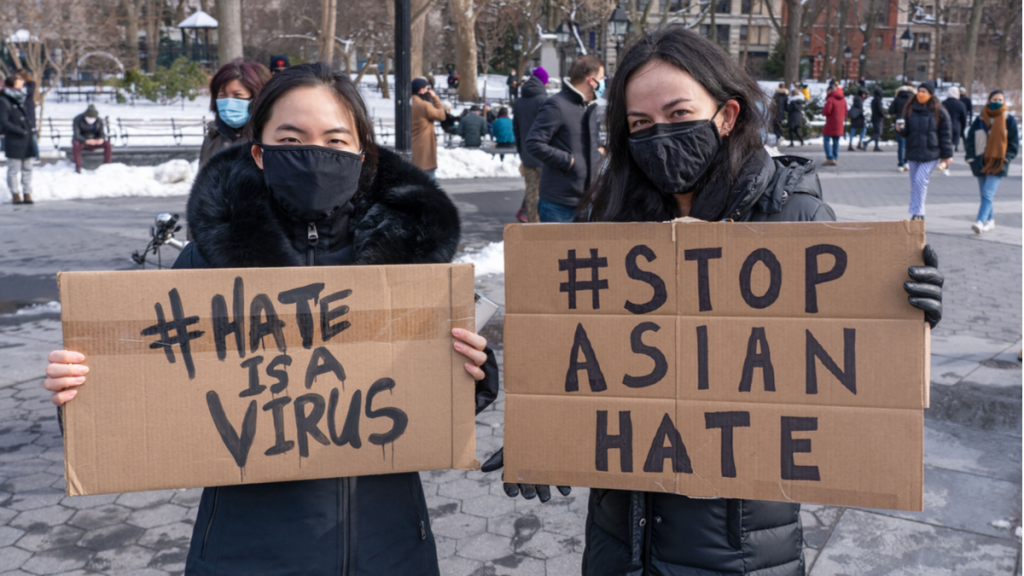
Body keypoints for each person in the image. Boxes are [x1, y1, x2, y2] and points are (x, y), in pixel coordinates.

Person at [482, 26, 943, 576]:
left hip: (742, 549)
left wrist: (899, 315)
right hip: (620, 541)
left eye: (679, 116)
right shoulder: (609, 222)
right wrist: (547, 430)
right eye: (640, 125)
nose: (660, 135)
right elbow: (579, 354)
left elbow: (836, 372)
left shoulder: (794, 220)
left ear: (726, 115)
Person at [42, 62, 499, 576]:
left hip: (390, 547)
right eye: (291, 137)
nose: (315, 153)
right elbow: (144, 393)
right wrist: (82, 391)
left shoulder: (409, 264)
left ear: (362, 155)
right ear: (259, 152)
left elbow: (442, 397)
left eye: (334, 139)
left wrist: (474, 372)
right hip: (245, 551)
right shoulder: (207, 263)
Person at [524, 55, 605, 222]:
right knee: (557, 249)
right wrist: (568, 161)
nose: (603, 84)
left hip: (589, 199)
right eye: (601, 79)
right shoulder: (556, 105)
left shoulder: (588, 106)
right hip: (559, 203)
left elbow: (589, 141)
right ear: (591, 80)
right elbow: (534, 143)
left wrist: (600, 152)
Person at [896, 81, 953, 220]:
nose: (920, 93)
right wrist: (900, 129)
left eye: (924, 91)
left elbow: (946, 135)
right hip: (913, 153)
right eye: (919, 90)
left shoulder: (939, 111)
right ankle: (916, 213)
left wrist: (947, 156)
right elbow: (906, 132)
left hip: (931, 154)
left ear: (931, 94)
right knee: (915, 183)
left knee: (920, 181)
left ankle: (918, 213)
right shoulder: (910, 109)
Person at [200, 58, 272, 167]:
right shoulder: (213, 137)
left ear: (257, 98)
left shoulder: (270, 138)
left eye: (238, 95)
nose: (229, 102)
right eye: (222, 96)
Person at [965, 90, 1018, 234]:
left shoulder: (1009, 120)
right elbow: (970, 139)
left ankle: (980, 221)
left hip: (999, 163)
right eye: (995, 99)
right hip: (980, 162)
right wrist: (970, 157)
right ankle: (991, 220)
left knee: (987, 193)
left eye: (1001, 100)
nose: (998, 102)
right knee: (985, 194)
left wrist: (1006, 158)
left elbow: (1014, 143)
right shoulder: (981, 119)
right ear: (988, 101)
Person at [513, 67, 549, 223]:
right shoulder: (545, 101)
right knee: (545, 192)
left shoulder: (519, 102)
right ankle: (541, 223)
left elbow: (517, 130)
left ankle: (532, 222)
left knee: (530, 190)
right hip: (544, 154)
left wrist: (522, 153)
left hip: (527, 154)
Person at [1, 75, 34, 204]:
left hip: (26, 138)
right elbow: (4, 121)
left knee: (27, 168)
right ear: (12, 85)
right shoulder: (5, 100)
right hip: (14, 139)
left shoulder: (22, 97)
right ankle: (15, 194)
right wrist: (20, 131)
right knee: (14, 169)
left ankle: (27, 193)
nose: (23, 85)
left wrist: (29, 130)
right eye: (20, 83)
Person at [410, 77, 447, 179]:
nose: (429, 91)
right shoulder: (424, 105)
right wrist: (435, 98)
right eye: (427, 88)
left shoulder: (408, 103)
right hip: (424, 149)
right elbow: (441, 115)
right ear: (421, 90)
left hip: (412, 147)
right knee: (429, 180)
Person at [71, 104, 112, 174]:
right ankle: (78, 167)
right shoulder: (78, 119)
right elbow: (76, 135)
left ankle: (106, 165)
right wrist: (86, 141)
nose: (91, 119)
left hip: (95, 141)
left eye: (93, 118)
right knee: (76, 143)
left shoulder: (98, 120)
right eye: (89, 117)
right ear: (85, 116)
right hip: (83, 141)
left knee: (107, 144)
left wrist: (101, 139)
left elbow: (101, 133)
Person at [889, 84, 915, 171]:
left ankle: (900, 164)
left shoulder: (897, 99)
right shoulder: (912, 99)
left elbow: (890, 111)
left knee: (901, 144)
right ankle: (906, 162)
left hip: (899, 122)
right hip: (909, 122)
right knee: (908, 144)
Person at [821, 84, 847, 165]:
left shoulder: (830, 99)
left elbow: (827, 111)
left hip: (831, 123)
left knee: (826, 139)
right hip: (839, 123)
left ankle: (829, 157)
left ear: (830, 91)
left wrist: (823, 111)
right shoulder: (843, 99)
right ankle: (835, 158)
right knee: (836, 141)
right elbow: (846, 111)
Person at [17, 70, 37, 160]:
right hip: (18, 113)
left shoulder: (30, 84)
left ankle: (36, 154)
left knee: (32, 134)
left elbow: (29, 92)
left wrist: (22, 83)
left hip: (28, 112)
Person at [942, 86, 967, 153]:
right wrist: (962, 128)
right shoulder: (961, 104)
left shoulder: (943, 103)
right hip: (956, 127)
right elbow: (963, 118)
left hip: (944, 127)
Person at [867, 86, 885, 152]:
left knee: (876, 132)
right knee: (878, 133)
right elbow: (880, 110)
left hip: (874, 118)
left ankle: (876, 146)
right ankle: (866, 142)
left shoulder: (874, 100)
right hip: (878, 118)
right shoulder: (878, 100)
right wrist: (883, 115)